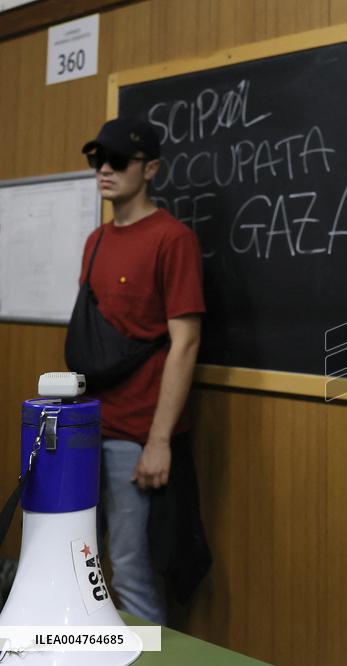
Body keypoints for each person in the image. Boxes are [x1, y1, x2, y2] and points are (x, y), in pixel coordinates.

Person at [73, 117, 207, 624]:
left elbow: (185, 342)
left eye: (117, 161)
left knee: (131, 570)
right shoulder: (96, 241)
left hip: (135, 435)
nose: (104, 170)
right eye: (97, 160)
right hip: (87, 428)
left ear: (150, 169)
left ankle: (147, 657)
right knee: (85, 564)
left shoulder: (172, 239)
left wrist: (159, 440)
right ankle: (97, 653)